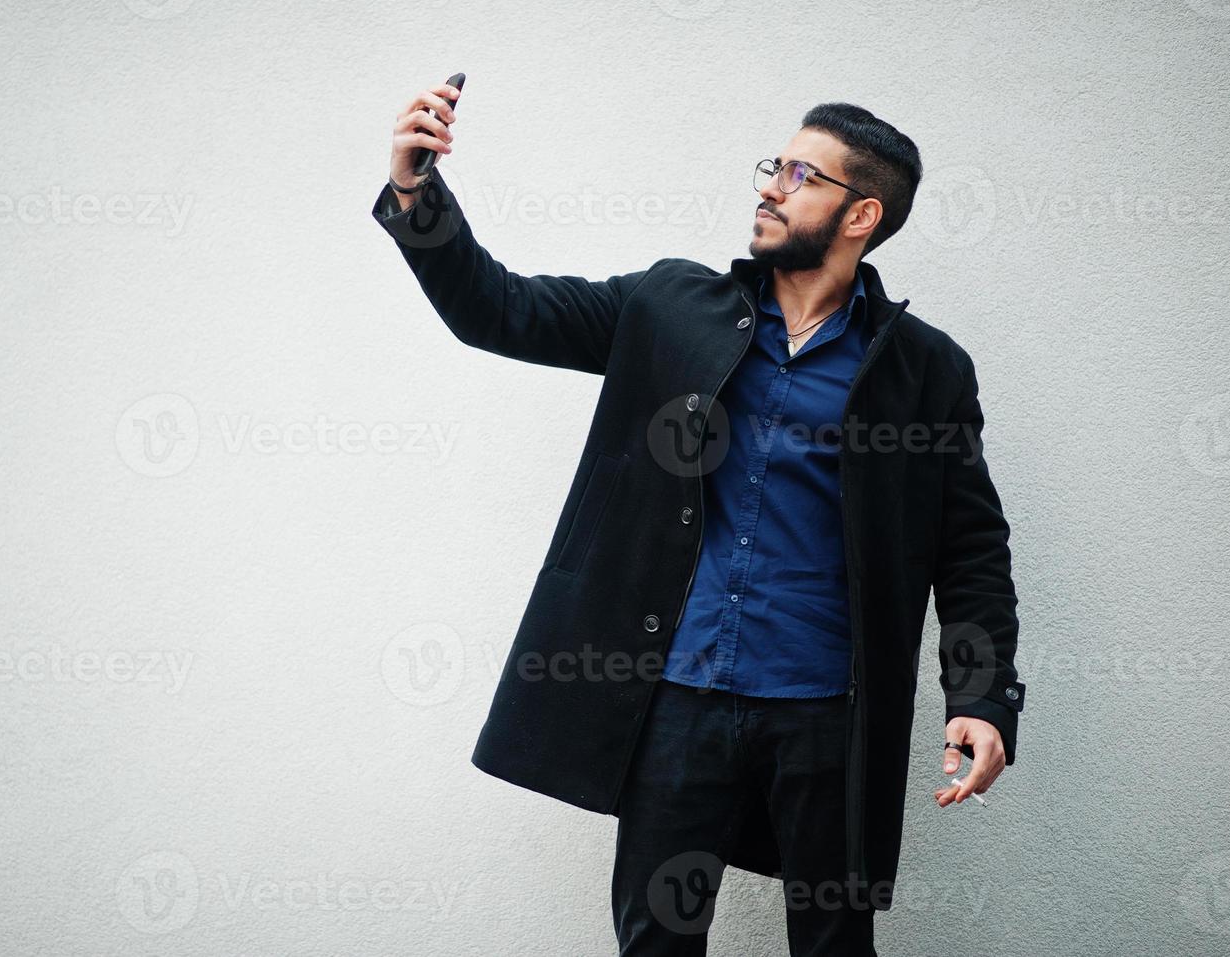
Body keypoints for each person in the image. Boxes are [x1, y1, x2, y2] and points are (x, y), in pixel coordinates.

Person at [371, 81, 1025, 956]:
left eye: (799, 174)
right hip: (674, 701)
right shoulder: (671, 307)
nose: (768, 185)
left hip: (826, 714)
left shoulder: (924, 370)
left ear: (860, 212)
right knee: (656, 941)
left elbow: (971, 545)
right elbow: (500, 308)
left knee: (833, 944)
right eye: (773, 165)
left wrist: (980, 696)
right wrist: (418, 195)